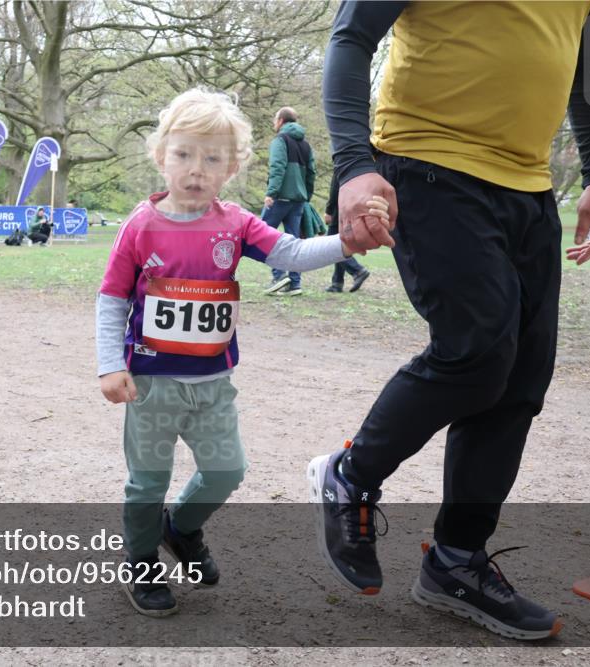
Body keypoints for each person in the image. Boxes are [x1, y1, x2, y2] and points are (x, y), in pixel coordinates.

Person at [308, 1, 590, 641]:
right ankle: (351, 476)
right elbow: (352, 35)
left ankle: (456, 560)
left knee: (520, 381)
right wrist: (352, 163)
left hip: (530, 188)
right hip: (428, 164)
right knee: (477, 351)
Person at [96, 88, 391, 617]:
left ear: (230, 168)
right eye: (183, 154)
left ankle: (180, 529)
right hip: (151, 382)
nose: (195, 169)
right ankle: (141, 561)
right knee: (148, 480)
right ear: (161, 155)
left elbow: (294, 254)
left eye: (212, 159)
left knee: (227, 470)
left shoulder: (234, 223)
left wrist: (346, 243)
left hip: (212, 383)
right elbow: (112, 297)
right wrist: (110, 365)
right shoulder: (140, 226)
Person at [261, 107, 317, 297]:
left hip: (280, 198)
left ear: (281, 121)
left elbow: (277, 166)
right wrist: (306, 196)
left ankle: (279, 277)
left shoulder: (280, 140)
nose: (273, 123)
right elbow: (311, 174)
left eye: (275, 119)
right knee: (294, 241)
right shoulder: (306, 145)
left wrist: (271, 192)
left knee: (261, 235)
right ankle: (295, 284)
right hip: (298, 201)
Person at [323, 177, 370, 293]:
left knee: (331, 247)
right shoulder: (359, 171)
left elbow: (335, 190)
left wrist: (329, 211)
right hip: (352, 209)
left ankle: (357, 270)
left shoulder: (341, 163)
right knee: (340, 244)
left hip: (338, 211)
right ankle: (337, 283)